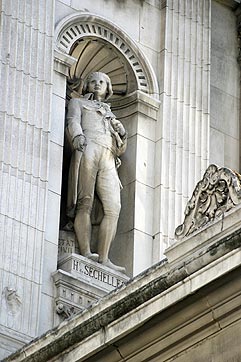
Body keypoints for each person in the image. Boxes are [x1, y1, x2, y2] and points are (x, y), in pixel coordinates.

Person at [66, 72, 127, 273]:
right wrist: (77, 136)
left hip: (108, 156)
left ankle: (104, 257)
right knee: (85, 201)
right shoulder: (78, 103)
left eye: (101, 82)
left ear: (108, 87)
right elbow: (73, 121)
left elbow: (121, 149)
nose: (97, 84)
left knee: (113, 207)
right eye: (93, 81)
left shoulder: (111, 114)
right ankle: (85, 251)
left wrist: (122, 133)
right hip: (89, 147)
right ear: (87, 85)